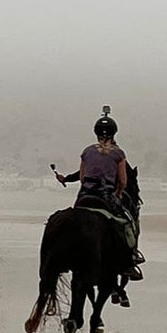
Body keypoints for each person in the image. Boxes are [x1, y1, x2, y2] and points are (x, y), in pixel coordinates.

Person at [54, 108, 143, 279]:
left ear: (96, 133)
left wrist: (66, 179)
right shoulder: (118, 154)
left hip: (84, 196)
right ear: (114, 133)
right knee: (127, 223)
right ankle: (130, 260)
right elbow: (124, 181)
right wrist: (118, 193)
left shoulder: (87, 151)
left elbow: (82, 176)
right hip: (106, 196)